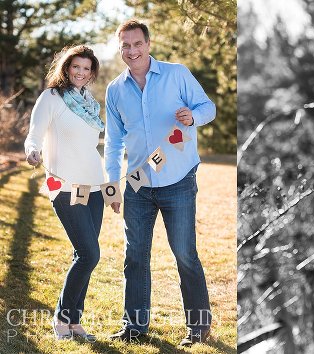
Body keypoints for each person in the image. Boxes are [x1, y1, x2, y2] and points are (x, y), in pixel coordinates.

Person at [103, 19, 215, 346]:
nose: (132, 51)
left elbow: (208, 107)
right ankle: (134, 327)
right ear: (120, 48)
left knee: (184, 253)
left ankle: (198, 326)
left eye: (137, 44)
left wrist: (193, 117)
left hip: (178, 179)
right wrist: (112, 186)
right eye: (126, 45)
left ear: (148, 44)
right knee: (135, 256)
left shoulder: (176, 73)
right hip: (137, 185)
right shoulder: (115, 90)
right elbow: (113, 142)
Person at [24, 45, 108, 341]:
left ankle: (74, 321)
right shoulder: (52, 97)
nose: (81, 73)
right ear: (66, 67)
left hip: (94, 187)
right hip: (63, 185)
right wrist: (32, 151)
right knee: (89, 254)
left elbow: (89, 147)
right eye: (77, 67)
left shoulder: (89, 104)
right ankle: (61, 318)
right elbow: (33, 134)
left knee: (83, 254)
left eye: (87, 69)